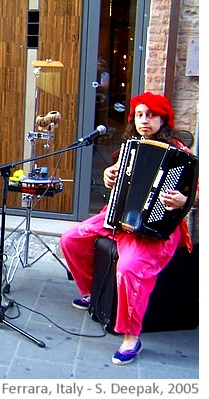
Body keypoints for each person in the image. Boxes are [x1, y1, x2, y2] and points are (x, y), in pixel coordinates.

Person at [60, 92, 197, 365]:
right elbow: (118, 178)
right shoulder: (129, 147)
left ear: (163, 119)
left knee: (130, 268)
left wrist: (185, 199)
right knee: (70, 239)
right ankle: (92, 293)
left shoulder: (181, 153)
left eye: (151, 115)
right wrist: (107, 174)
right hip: (119, 217)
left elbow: (196, 191)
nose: (144, 120)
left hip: (156, 226)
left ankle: (132, 337)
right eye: (139, 115)